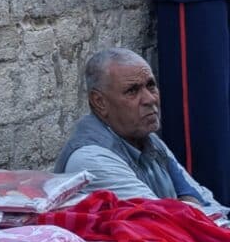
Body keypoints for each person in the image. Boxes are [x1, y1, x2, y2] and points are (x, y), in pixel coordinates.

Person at [56, 47, 225, 210]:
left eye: (151, 85)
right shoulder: (91, 159)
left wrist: (190, 203)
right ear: (99, 102)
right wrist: (189, 205)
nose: (150, 99)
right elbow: (166, 221)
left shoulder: (146, 138)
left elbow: (204, 199)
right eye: (132, 90)